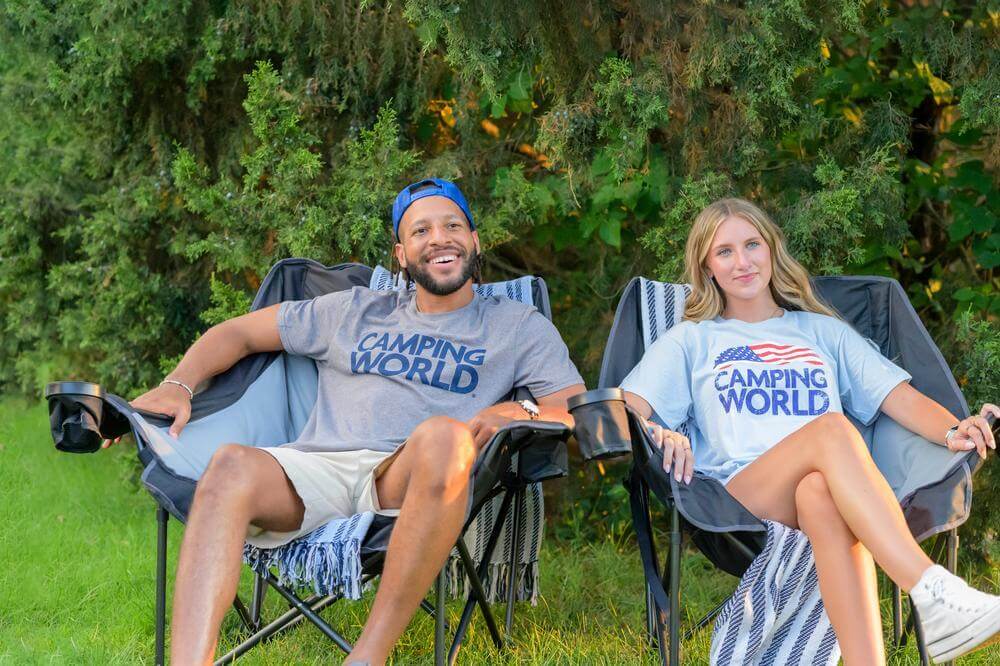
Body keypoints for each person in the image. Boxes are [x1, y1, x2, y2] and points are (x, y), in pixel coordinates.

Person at [120, 178, 586, 665]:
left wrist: (521, 408)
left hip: (408, 478)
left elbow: (575, 408)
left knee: (446, 436)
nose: (439, 238)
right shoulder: (354, 309)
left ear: (474, 242)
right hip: (315, 469)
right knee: (229, 465)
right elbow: (239, 333)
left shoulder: (517, 325)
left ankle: (366, 658)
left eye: (453, 225)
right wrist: (178, 384)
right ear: (401, 255)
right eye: (420, 230)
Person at [620, 197, 1000, 664]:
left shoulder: (822, 332)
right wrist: (661, 432)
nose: (742, 261)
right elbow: (626, 409)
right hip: (738, 496)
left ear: (772, 249)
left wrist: (952, 430)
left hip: (828, 491)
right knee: (833, 431)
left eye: (752, 244)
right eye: (724, 252)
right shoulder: (693, 339)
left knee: (819, 490)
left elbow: (895, 396)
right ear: (706, 267)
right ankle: (932, 590)